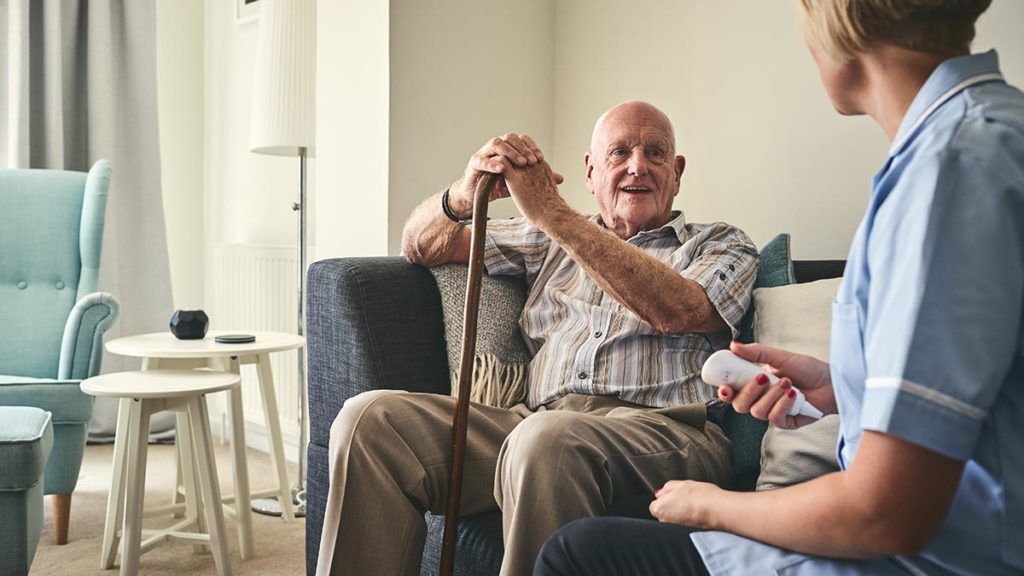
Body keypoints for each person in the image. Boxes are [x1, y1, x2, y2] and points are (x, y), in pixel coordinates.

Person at [534, 1, 1024, 575]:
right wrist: (838, 387)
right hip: (928, 540)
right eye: (619, 153)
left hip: (932, 559)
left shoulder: (950, 173)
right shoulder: (977, 136)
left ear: (840, 29)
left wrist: (717, 506)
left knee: (580, 556)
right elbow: (974, 377)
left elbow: (886, 513)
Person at [315, 101, 759, 576]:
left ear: (677, 172)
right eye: (619, 153)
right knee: (370, 420)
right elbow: (422, 245)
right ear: (590, 171)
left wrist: (553, 214)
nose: (638, 166)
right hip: (534, 422)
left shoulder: (719, 243)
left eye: (655, 153)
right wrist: (463, 195)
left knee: (548, 442)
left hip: (666, 432)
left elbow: (679, 310)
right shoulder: (545, 240)